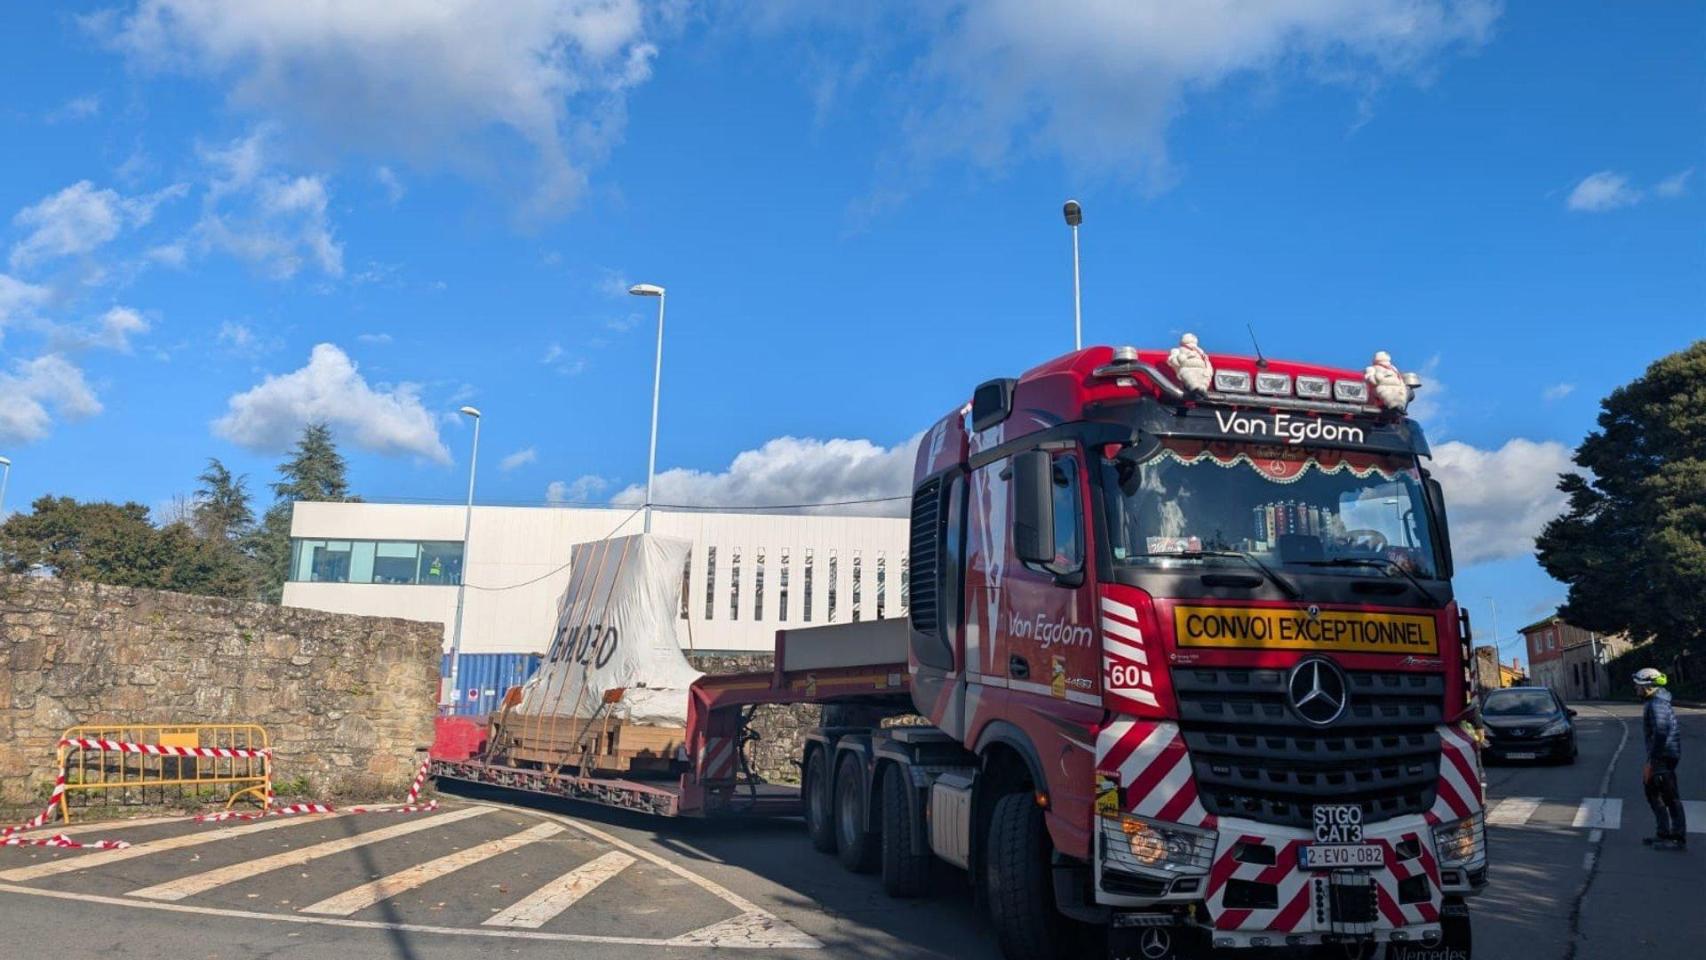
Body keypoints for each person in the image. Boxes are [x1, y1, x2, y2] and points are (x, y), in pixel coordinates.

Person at [1635, 667, 1686, 849]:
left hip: (1663, 755)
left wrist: (1652, 761)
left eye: (1639, 686)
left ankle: (1677, 838)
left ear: (1648, 686)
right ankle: (1664, 833)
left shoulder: (1657, 703)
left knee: (1669, 796)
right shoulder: (1656, 701)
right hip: (1664, 754)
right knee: (1653, 792)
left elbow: (1661, 732)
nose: (1637, 689)